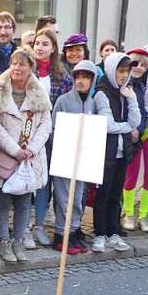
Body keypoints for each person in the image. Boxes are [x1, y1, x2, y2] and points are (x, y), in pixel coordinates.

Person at [0, 47, 52, 264]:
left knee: (23, 203)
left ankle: (18, 241)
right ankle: (4, 242)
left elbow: (46, 124)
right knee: (1, 203)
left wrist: (32, 148)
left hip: (30, 158)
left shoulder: (39, 91)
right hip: (4, 157)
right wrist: (15, 150)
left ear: (31, 67)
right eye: (14, 63)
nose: (17, 68)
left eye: (22, 64)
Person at [90, 52, 141, 253]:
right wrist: (127, 127)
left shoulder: (126, 92)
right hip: (106, 152)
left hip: (122, 153)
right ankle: (100, 233)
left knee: (115, 194)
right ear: (112, 71)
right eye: (121, 71)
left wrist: (133, 99)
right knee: (102, 195)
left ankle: (113, 232)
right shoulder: (102, 92)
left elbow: (136, 121)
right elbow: (107, 125)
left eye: (127, 71)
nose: (124, 75)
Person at [51, 60, 98, 254]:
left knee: (78, 197)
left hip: (83, 159)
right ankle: (61, 234)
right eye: (78, 76)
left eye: (86, 77)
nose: (81, 81)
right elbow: (54, 128)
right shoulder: (64, 100)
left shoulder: (92, 103)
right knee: (63, 197)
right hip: (65, 156)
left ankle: (74, 230)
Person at [30, 28, 67, 247]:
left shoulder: (62, 76)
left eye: (45, 44)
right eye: (37, 43)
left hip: (54, 135)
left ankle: (40, 226)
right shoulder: (27, 71)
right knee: (26, 183)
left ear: (53, 48)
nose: (40, 48)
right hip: (29, 135)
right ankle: (24, 227)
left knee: (46, 183)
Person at [121, 45, 148, 232]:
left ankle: (143, 215)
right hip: (126, 135)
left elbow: (143, 111)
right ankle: (128, 213)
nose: (138, 67)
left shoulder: (142, 86)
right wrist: (132, 129)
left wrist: (140, 128)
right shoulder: (120, 82)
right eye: (135, 63)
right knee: (131, 173)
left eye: (143, 65)